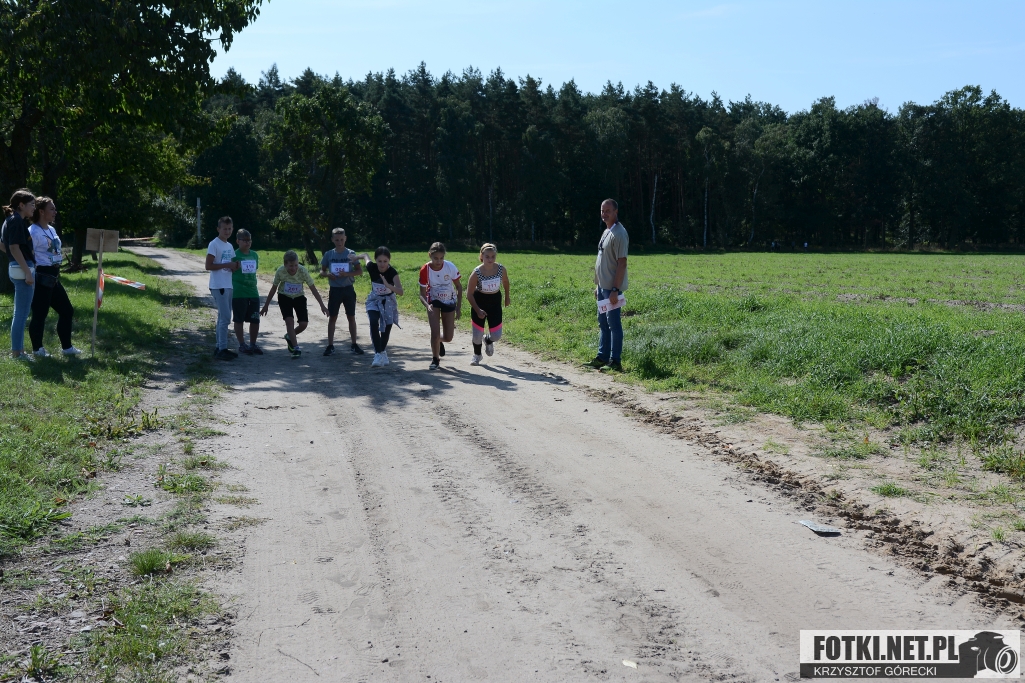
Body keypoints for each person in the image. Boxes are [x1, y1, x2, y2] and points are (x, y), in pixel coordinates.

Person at [27, 197, 80, 357]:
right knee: (40, 314)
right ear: (41, 211)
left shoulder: (51, 229)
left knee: (67, 311)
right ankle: (38, 349)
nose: (55, 212)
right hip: (41, 277)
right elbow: (27, 254)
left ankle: (67, 348)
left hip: (54, 277)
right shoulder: (33, 231)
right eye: (52, 209)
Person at [587, 198, 628, 372]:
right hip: (603, 288)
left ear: (615, 212)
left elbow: (622, 263)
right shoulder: (606, 231)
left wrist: (615, 290)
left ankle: (615, 361)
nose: (604, 214)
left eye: (608, 211)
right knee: (603, 323)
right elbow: (601, 260)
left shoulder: (619, 233)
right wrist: (598, 286)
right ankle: (602, 357)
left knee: (614, 324)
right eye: (602, 211)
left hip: (612, 289)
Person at [261, 250, 328, 358]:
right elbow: (273, 288)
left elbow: (313, 288)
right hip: (284, 297)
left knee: (303, 324)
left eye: (296, 265)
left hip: (299, 297)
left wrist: (322, 305)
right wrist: (266, 305)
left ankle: (289, 336)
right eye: (291, 266)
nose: (293, 268)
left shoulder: (302, 271)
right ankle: (296, 348)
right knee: (289, 321)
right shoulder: (280, 271)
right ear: (285, 264)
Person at [353, 246, 403, 368]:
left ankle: (383, 352)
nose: (382, 264)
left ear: (389, 261)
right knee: (373, 321)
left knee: (386, 328)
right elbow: (365, 255)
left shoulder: (393, 273)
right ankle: (378, 354)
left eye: (385, 261)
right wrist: (356, 257)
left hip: (388, 301)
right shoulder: (372, 267)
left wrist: (388, 285)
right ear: (375, 260)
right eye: (379, 261)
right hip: (374, 300)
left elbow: (400, 291)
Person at [2, 189, 37, 360]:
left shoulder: (11, 219)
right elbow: (14, 248)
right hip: (23, 269)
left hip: (16, 267)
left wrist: (13, 258)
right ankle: (17, 352)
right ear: (21, 205)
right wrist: (27, 272)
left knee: (20, 313)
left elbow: (3, 244)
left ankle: (19, 350)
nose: (34, 208)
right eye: (32, 204)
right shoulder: (16, 220)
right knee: (21, 314)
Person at [320, 227, 364, 357]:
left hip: (348, 289)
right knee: (332, 317)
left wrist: (347, 274)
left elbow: (359, 271)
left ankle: (354, 344)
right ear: (332, 240)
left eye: (341, 239)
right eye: (337, 240)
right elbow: (322, 271)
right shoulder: (329, 254)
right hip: (335, 290)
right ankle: (330, 345)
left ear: (345, 239)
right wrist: (327, 274)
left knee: (351, 317)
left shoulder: (351, 253)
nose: (339, 242)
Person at [418, 242, 462, 370]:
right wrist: (427, 305)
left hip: (449, 300)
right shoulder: (425, 270)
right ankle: (435, 359)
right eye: (435, 258)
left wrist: (458, 307)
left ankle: (439, 342)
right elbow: (421, 294)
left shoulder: (450, 267)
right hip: (433, 300)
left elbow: (459, 287)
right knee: (435, 332)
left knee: (448, 337)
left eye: (441, 258)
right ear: (430, 255)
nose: (438, 261)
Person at [465, 243, 510, 366]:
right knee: (477, 335)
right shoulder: (477, 272)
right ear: (481, 256)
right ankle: (477, 355)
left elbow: (506, 282)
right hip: (479, 301)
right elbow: (469, 294)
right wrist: (477, 310)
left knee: (497, 335)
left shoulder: (501, 269)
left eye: (493, 256)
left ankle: (488, 340)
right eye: (487, 257)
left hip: (495, 302)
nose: (490, 259)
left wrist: (507, 297)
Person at [205, 216, 238, 361]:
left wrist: (234, 266)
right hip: (219, 285)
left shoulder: (229, 246)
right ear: (218, 229)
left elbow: (230, 265)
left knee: (222, 317)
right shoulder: (214, 244)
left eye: (229, 229)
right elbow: (208, 266)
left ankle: (219, 347)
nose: (227, 231)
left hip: (228, 284)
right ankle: (222, 349)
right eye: (224, 229)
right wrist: (227, 265)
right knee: (225, 318)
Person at [231, 229, 262, 355]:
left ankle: (253, 344)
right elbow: (229, 270)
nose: (247, 242)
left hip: (253, 291)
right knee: (239, 319)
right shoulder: (233, 255)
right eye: (244, 240)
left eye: (249, 240)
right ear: (238, 241)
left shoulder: (254, 255)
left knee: (255, 319)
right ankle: (242, 344)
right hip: (239, 292)